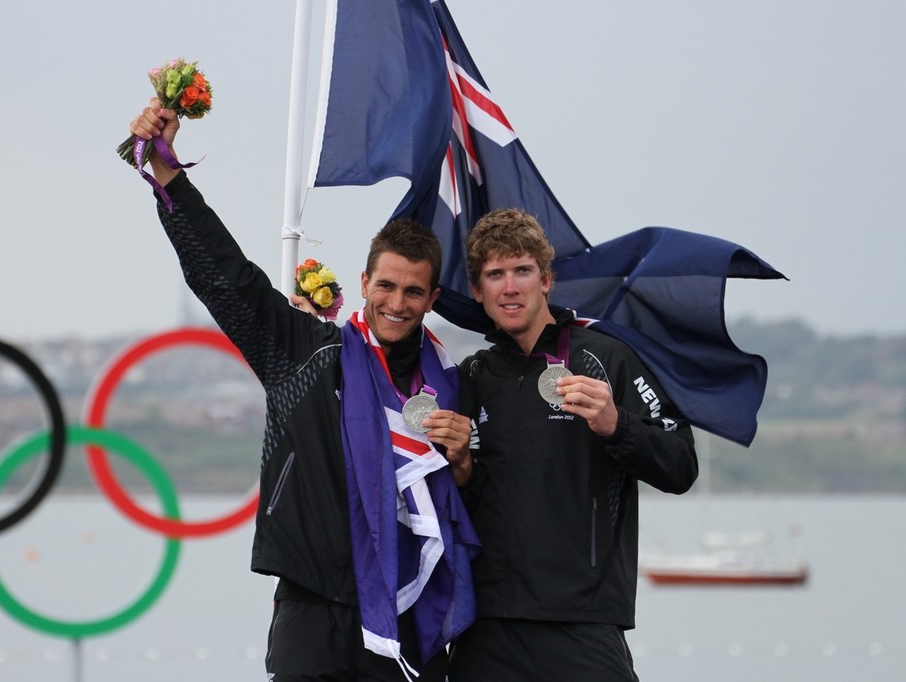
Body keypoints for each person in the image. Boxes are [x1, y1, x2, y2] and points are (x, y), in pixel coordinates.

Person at [127, 100, 479, 682]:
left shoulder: (449, 387)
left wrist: (464, 460)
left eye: (413, 292)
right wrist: (166, 173)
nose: (396, 302)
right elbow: (224, 275)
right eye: (386, 285)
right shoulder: (309, 352)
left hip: (406, 614)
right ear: (364, 282)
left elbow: (468, 506)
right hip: (310, 607)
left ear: (431, 299)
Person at [445, 208, 699, 681]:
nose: (510, 286)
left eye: (522, 270)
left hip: (582, 621)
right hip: (487, 627)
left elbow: (681, 464)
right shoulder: (471, 377)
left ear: (546, 280)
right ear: (478, 291)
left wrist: (616, 424)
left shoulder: (605, 358)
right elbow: (461, 496)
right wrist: (460, 464)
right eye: (495, 275)